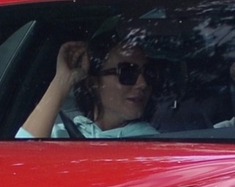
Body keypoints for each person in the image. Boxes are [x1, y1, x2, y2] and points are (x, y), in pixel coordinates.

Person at [18, 29, 160, 139]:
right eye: (127, 73)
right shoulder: (61, 133)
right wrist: (61, 81)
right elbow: (20, 160)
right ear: (93, 83)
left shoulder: (154, 143)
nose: (143, 83)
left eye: (148, 73)